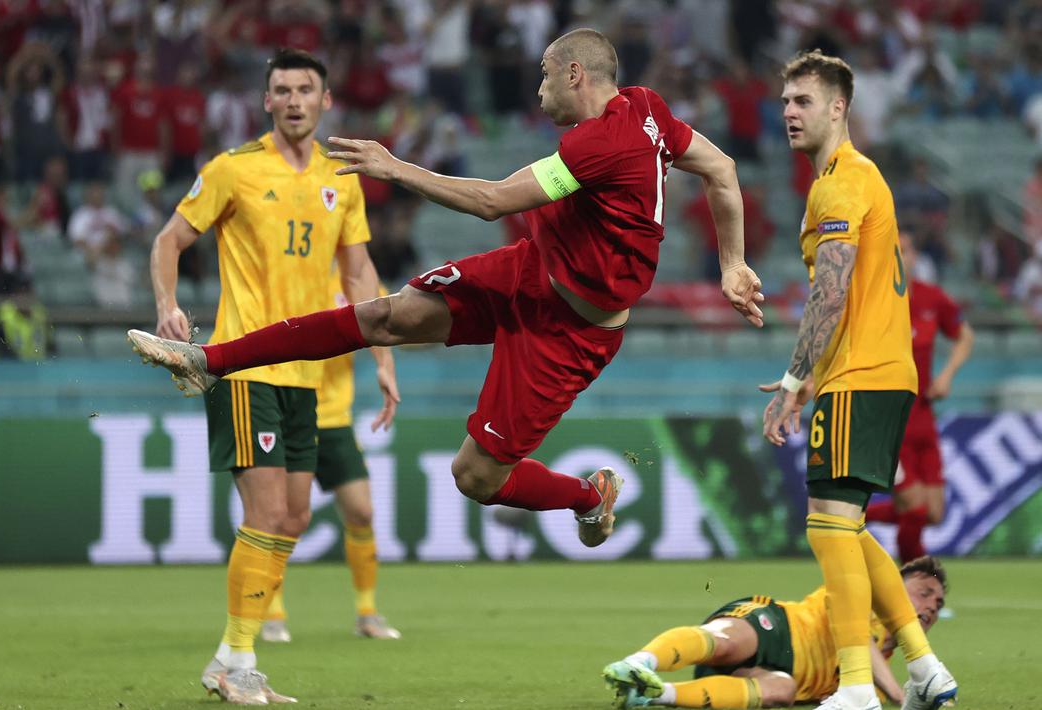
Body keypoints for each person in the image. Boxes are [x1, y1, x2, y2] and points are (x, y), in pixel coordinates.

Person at [130, 29, 763, 554]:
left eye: (545, 77)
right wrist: (731, 262)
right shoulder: (647, 108)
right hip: (532, 270)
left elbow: (491, 202)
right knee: (387, 316)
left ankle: (587, 496)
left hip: (570, 332)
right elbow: (722, 169)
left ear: (575, 74)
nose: (538, 91)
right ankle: (209, 361)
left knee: (475, 477)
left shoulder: (596, 144)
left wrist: (393, 167)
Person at [137, 48, 397, 705]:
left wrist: (383, 354)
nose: (293, 99)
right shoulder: (233, 170)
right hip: (245, 364)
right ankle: (241, 661)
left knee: (296, 515)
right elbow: (169, 239)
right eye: (281, 89)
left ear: (325, 100)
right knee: (267, 510)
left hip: (307, 375)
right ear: (265, 101)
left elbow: (359, 273)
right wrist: (167, 305)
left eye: (305, 88)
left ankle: (228, 657)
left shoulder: (343, 176)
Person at [759, 51, 956, 710]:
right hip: (876, 370)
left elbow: (833, 289)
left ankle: (853, 687)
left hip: (861, 373)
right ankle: (923, 665)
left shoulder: (840, 181)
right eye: (785, 100)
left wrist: (794, 377)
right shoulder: (858, 176)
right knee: (846, 526)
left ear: (838, 107)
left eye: (803, 101)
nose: (789, 111)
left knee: (827, 526)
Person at [602, 556, 950, 709]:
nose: (931, 605)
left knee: (782, 691)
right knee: (728, 643)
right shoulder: (860, 593)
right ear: (890, 588)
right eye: (923, 592)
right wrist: (900, 696)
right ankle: (637, 663)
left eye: (937, 603)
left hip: (773, 675)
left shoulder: (877, 672)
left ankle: (651, 695)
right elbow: (857, 640)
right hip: (777, 627)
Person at [261, 272, 400, 644]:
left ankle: (367, 612)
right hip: (291, 412)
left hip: (335, 419)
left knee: (362, 513)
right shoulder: (293, 273)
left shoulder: (357, 280)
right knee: (287, 519)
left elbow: (391, 320)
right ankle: (271, 612)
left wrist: (388, 365)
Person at [864, 231, 974, 561]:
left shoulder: (931, 299)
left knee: (935, 514)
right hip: (890, 424)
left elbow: (964, 335)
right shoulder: (874, 301)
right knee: (914, 507)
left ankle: (848, 517)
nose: (901, 256)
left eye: (907, 250)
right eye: (893, 250)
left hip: (924, 416)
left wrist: (946, 375)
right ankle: (917, 583)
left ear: (915, 257)